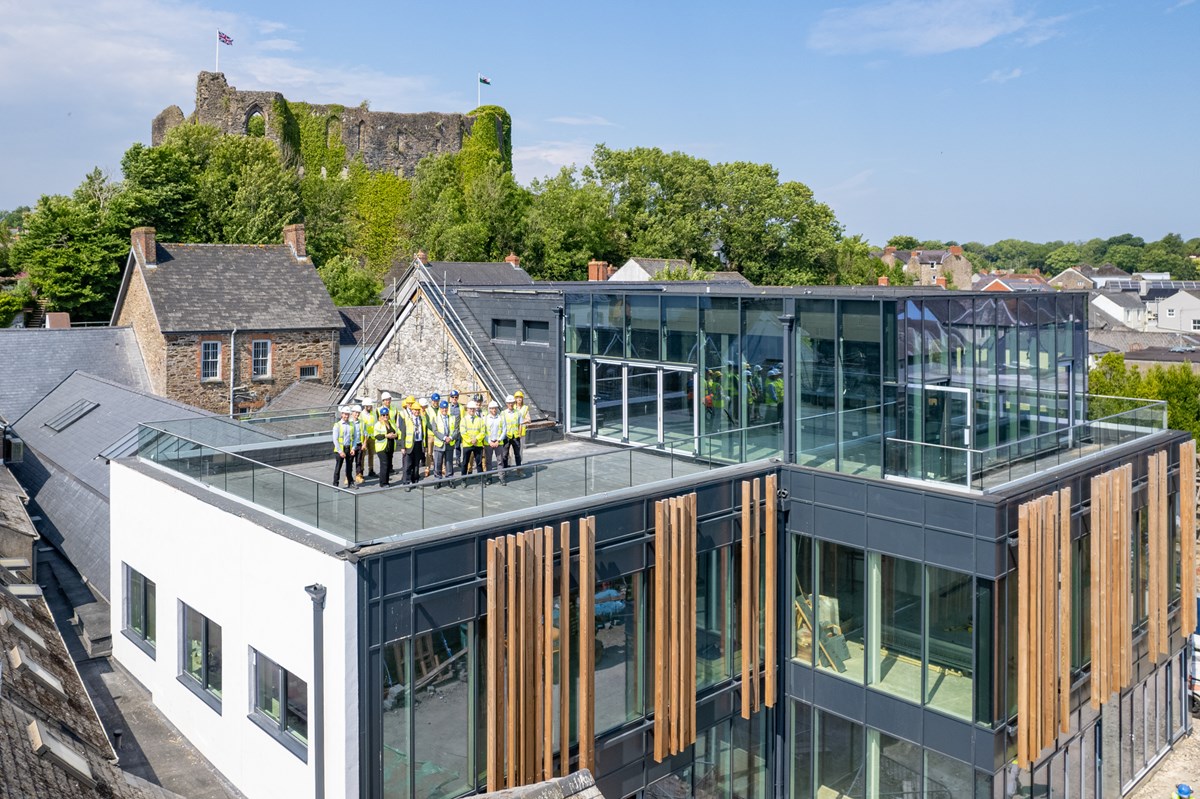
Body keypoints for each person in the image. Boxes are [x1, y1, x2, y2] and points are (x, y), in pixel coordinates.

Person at [430, 400, 458, 485]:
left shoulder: (453, 417)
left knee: (449, 463)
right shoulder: (435, 418)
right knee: (438, 463)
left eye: (446, 408)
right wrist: (444, 437)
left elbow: (456, 430)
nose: (444, 410)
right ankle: (437, 480)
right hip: (439, 444)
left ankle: (450, 479)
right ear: (440, 409)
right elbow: (435, 431)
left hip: (449, 443)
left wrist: (451, 437)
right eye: (443, 408)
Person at [332, 407, 358, 488]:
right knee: (338, 467)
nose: (346, 416)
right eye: (345, 414)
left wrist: (353, 448)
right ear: (342, 414)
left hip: (349, 448)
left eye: (348, 414)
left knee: (349, 467)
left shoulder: (351, 424)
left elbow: (355, 438)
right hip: (340, 449)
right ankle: (335, 484)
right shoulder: (337, 425)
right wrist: (340, 451)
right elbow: (335, 439)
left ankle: (350, 482)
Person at [404, 398, 428, 487]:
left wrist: (424, 445)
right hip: (410, 444)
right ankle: (406, 482)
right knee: (408, 465)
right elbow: (403, 433)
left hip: (419, 443)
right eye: (415, 410)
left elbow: (424, 432)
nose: (417, 412)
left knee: (416, 464)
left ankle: (415, 480)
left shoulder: (422, 419)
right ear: (412, 410)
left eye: (418, 410)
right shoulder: (408, 419)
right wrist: (403, 447)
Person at [373, 406, 398, 487]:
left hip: (390, 447)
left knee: (388, 465)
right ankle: (383, 483)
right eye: (383, 415)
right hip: (381, 448)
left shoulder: (391, 423)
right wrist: (386, 435)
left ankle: (386, 481)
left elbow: (397, 432)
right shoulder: (378, 425)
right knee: (384, 464)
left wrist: (395, 435)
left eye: (387, 415)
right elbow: (376, 436)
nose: (385, 416)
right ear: (380, 416)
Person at [459, 400, 485, 475]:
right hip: (467, 444)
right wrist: (470, 440)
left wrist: (476, 439)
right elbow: (463, 432)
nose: (472, 410)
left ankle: (481, 479)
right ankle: (463, 479)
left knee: (479, 463)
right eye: (470, 408)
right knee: (465, 463)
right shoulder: (464, 420)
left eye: (473, 408)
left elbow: (483, 431)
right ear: (467, 409)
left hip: (478, 444)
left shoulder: (480, 420)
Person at [484, 399, 506, 482]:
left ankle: (501, 477)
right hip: (488, 443)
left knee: (500, 461)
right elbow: (484, 431)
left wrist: (498, 440)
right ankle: (489, 478)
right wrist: (489, 441)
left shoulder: (501, 418)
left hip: (498, 443)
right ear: (489, 409)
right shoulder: (485, 419)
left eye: (495, 408)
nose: (494, 410)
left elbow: (504, 430)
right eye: (492, 408)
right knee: (488, 461)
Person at [501, 395, 521, 471]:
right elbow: (501, 425)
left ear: (514, 403)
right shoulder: (503, 413)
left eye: (512, 403)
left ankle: (519, 470)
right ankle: (505, 471)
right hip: (506, 436)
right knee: (504, 455)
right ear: (506, 404)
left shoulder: (518, 413)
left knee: (517, 455)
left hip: (515, 436)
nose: (511, 404)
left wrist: (519, 434)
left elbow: (520, 424)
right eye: (509, 403)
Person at [360, 398, 378, 479]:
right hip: (364, 437)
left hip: (372, 436)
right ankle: (361, 471)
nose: (370, 407)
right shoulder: (361, 415)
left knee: (371, 454)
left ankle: (371, 470)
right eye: (369, 406)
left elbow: (375, 424)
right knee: (362, 455)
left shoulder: (373, 414)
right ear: (365, 406)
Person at [512, 390, 530, 471]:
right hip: (512, 432)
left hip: (521, 433)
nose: (519, 399)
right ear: (515, 399)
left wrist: (521, 421)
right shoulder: (512, 407)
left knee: (520, 452)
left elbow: (529, 419)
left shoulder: (525, 408)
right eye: (517, 397)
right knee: (510, 452)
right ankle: (509, 467)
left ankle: (519, 468)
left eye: (520, 397)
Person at [350, 404, 366, 484]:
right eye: (355, 413)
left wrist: (364, 444)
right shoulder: (349, 422)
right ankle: (348, 477)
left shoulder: (362, 423)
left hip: (359, 444)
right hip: (351, 446)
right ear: (352, 413)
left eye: (358, 413)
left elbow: (365, 434)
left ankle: (358, 476)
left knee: (359, 461)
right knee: (349, 462)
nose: (357, 414)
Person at [447, 390, 462, 476]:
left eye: (456, 397)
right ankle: (450, 460)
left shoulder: (461, 407)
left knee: (458, 445)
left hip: (458, 429)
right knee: (450, 447)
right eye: (453, 397)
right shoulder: (448, 407)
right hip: (450, 431)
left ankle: (458, 459)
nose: (454, 399)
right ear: (450, 398)